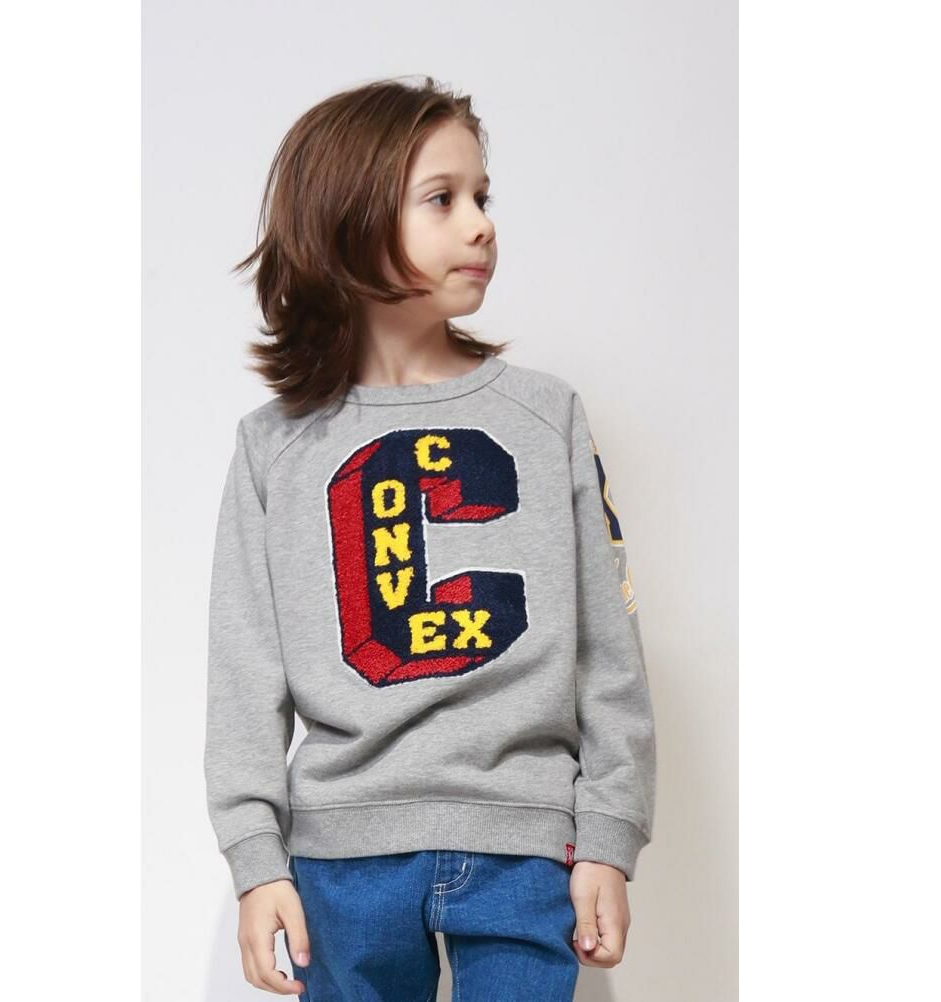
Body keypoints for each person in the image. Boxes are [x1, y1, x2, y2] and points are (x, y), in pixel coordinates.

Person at [203, 75, 657, 1001]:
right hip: (342, 863)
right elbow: (245, 671)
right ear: (349, 218)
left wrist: (609, 835)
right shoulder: (274, 447)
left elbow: (609, 649)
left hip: (527, 848)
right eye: (442, 199)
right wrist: (255, 858)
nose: (481, 225)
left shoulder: (547, 417)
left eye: (483, 196)